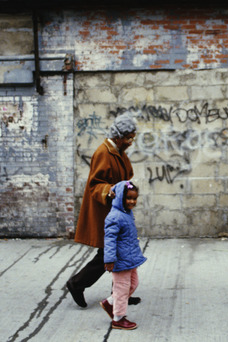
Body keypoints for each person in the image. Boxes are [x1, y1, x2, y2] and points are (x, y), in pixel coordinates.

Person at [66, 114, 137, 308]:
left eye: (133, 138)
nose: (131, 142)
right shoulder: (103, 153)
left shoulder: (118, 152)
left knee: (118, 253)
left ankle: (119, 294)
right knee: (108, 255)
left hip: (117, 212)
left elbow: (127, 174)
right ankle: (77, 284)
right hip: (106, 214)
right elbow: (95, 185)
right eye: (128, 138)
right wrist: (111, 191)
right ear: (118, 136)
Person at [99, 180, 146, 330]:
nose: (132, 201)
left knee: (133, 284)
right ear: (120, 198)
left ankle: (111, 302)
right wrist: (110, 259)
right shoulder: (114, 217)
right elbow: (110, 240)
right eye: (129, 198)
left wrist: (116, 187)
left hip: (130, 258)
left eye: (134, 198)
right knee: (121, 288)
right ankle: (118, 318)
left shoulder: (126, 213)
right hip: (120, 260)